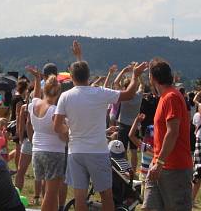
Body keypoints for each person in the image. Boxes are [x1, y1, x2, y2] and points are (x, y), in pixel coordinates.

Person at [53, 41, 147, 211]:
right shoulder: (99, 93)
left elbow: (57, 125)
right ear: (89, 76)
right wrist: (134, 75)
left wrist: (68, 135)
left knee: (79, 196)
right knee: (106, 195)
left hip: (76, 151)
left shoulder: (65, 97)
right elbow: (129, 94)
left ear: (72, 77)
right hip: (97, 151)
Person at [143, 58, 193, 211]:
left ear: (153, 77)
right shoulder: (164, 97)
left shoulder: (171, 97)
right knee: (148, 208)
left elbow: (173, 132)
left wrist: (159, 163)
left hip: (173, 167)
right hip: (159, 165)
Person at [26, 66, 68, 211]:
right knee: (51, 194)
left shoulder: (34, 105)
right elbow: (63, 135)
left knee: (49, 195)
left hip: (37, 151)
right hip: (54, 153)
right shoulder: (54, 111)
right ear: (58, 93)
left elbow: (36, 95)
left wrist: (37, 79)